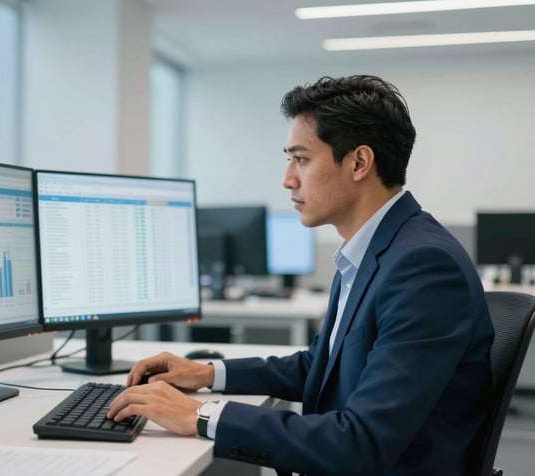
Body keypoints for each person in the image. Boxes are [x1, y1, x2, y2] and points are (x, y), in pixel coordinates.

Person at [106, 75, 494, 476]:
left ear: (359, 162)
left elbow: (359, 442)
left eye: (302, 159)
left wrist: (202, 415)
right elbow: (320, 366)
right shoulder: (378, 247)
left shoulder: (423, 266)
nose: (288, 178)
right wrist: (207, 373)